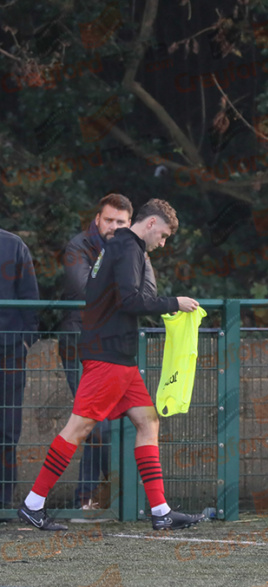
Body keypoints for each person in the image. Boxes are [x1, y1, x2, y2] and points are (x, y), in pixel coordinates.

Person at [18, 199, 204, 531]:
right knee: (78, 429)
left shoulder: (116, 246)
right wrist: (174, 302)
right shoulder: (128, 249)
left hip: (117, 357)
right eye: (162, 236)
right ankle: (33, 504)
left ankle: (160, 511)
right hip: (108, 357)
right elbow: (130, 300)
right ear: (150, 225)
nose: (162, 244)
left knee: (148, 423)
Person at [59, 194, 132, 510]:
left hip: (114, 345)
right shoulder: (78, 247)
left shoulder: (132, 248)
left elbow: (145, 291)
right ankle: (94, 496)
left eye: (121, 222)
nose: (114, 227)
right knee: (95, 420)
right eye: (109, 220)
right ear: (97, 219)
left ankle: (104, 496)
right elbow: (86, 291)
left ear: (129, 223)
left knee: (114, 420)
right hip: (79, 342)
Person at [1, 227, 39, 512]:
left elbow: (30, 299)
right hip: (11, 348)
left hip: (10, 352)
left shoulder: (14, 245)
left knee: (7, 429)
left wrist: (27, 342)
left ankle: (3, 502)